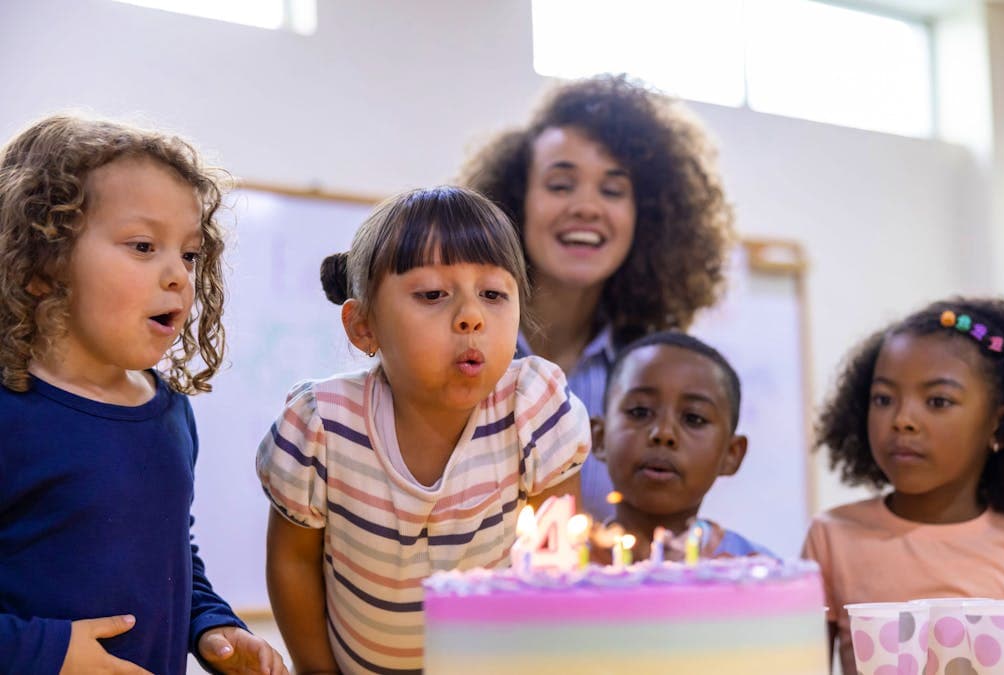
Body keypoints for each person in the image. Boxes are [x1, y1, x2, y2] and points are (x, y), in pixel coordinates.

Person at [257, 186, 591, 674]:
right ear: (363, 326)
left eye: (493, 294)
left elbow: (553, 565)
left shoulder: (533, 409)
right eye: (433, 294)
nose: (472, 316)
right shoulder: (322, 425)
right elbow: (293, 563)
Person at [0, 114, 286, 675]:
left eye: (190, 254)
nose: (178, 274)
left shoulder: (168, 410)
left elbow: (171, 555)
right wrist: (49, 652)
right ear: (41, 262)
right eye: (143, 245)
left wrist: (212, 626)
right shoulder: (12, 411)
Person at [803, 297, 1004, 675]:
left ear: (999, 424)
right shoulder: (831, 538)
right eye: (883, 399)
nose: (902, 419)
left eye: (938, 401)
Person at [460, 74, 735, 522]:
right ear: (515, 202)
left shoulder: (649, 373)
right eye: (560, 185)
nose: (587, 207)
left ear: (645, 216)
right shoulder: (457, 347)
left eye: (612, 190)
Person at [591, 331, 772, 563]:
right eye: (640, 412)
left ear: (731, 454)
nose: (663, 433)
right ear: (599, 437)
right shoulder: (566, 566)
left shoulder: (759, 572)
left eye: (693, 418)